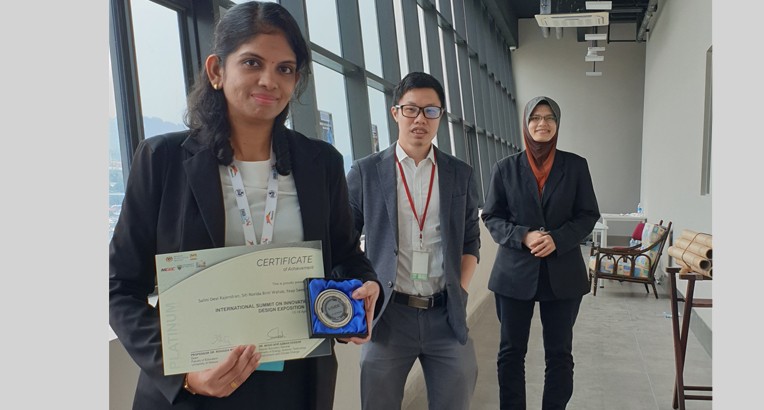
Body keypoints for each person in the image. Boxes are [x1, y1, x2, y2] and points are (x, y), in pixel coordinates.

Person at [108, 2, 383, 409]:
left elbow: (344, 254)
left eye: (285, 69)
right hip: (197, 389)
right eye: (252, 62)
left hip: (297, 385)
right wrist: (183, 373)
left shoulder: (320, 163)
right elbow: (120, 288)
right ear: (217, 70)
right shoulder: (162, 160)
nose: (269, 80)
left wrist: (364, 289)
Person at [347, 71, 481, 410]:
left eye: (430, 111)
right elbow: (344, 239)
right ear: (396, 113)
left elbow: (470, 240)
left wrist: (460, 292)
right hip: (389, 315)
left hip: (445, 315)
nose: (420, 119)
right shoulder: (366, 172)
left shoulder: (459, 173)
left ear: (440, 117)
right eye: (411, 109)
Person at [481, 96, 600, 410]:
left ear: (557, 124)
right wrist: (524, 235)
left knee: (559, 354)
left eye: (549, 118)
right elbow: (491, 217)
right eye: (535, 117)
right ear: (525, 123)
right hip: (513, 275)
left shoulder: (575, 166)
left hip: (563, 274)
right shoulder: (504, 168)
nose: (542, 124)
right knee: (510, 353)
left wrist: (558, 239)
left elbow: (588, 214)